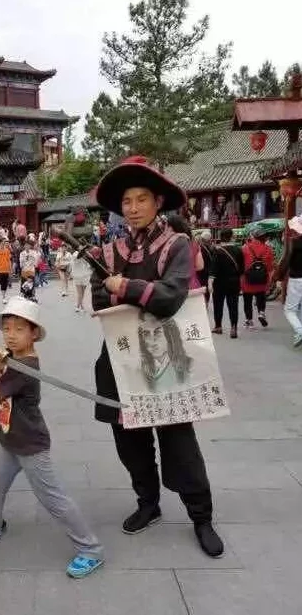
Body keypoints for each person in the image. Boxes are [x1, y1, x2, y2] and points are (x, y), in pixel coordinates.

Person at [89, 154, 224, 558]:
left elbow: (170, 297)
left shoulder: (178, 244)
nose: (132, 208)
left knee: (178, 439)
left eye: (141, 199)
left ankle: (201, 515)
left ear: (158, 201)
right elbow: (97, 296)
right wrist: (120, 289)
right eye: (126, 201)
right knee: (129, 439)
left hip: (169, 356)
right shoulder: (111, 249)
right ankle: (147, 503)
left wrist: (122, 288)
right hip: (119, 357)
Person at [0, 297, 104, 579]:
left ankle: (91, 549)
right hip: (10, 439)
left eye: (19, 329)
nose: (10, 335)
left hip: (30, 444)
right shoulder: (12, 357)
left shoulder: (25, 366)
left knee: (52, 497)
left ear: (33, 334)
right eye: (6, 328)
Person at [138, 317, 192, 392]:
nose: (152, 340)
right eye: (146, 334)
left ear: (170, 335)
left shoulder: (189, 364)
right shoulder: (140, 371)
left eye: (157, 333)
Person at [210, 228, 244, 339]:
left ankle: (218, 326)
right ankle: (233, 327)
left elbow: (213, 269)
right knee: (233, 305)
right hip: (234, 281)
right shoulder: (238, 250)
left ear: (221, 237)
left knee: (218, 304)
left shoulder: (217, 251)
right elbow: (242, 268)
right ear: (231, 236)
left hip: (219, 283)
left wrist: (210, 282)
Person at [241, 226, 275, 329]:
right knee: (261, 297)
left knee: (247, 300)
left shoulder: (245, 248)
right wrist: (270, 279)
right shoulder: (268, 248)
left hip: (247, 278)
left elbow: (241, 264)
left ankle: (249, 321)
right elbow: (270, 266)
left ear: (253, 236)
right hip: (262, 278)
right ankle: (261, 312)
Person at [278, 215, 302, 348]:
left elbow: (287, 259)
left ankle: (299, 331)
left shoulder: (295, 242)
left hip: (297, 279)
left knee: (290, 310)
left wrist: (279, 275)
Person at [166, 214, 204, 289]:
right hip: (192, 285)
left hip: (172, 288)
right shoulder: (194, 244)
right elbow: (200, 266)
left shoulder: (167, 244)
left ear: (170, 228)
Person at [196, 231, 214, 305]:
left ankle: (204, 303)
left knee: (203, 289)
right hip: (209, 273)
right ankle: (206, 302)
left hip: (201, 273)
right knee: (206, 290)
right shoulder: (212, 248)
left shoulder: (200, 249)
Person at [0, 238, 12, 304]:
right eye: (3, 242)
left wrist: (10, 269)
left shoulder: (7, 250)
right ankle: (3, 297)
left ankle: (4, 295)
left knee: (5, 283)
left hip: (6, 269)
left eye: (5, 242)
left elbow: (8, 260)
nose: (4, 243)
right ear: (0, 242)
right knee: (2, 283)